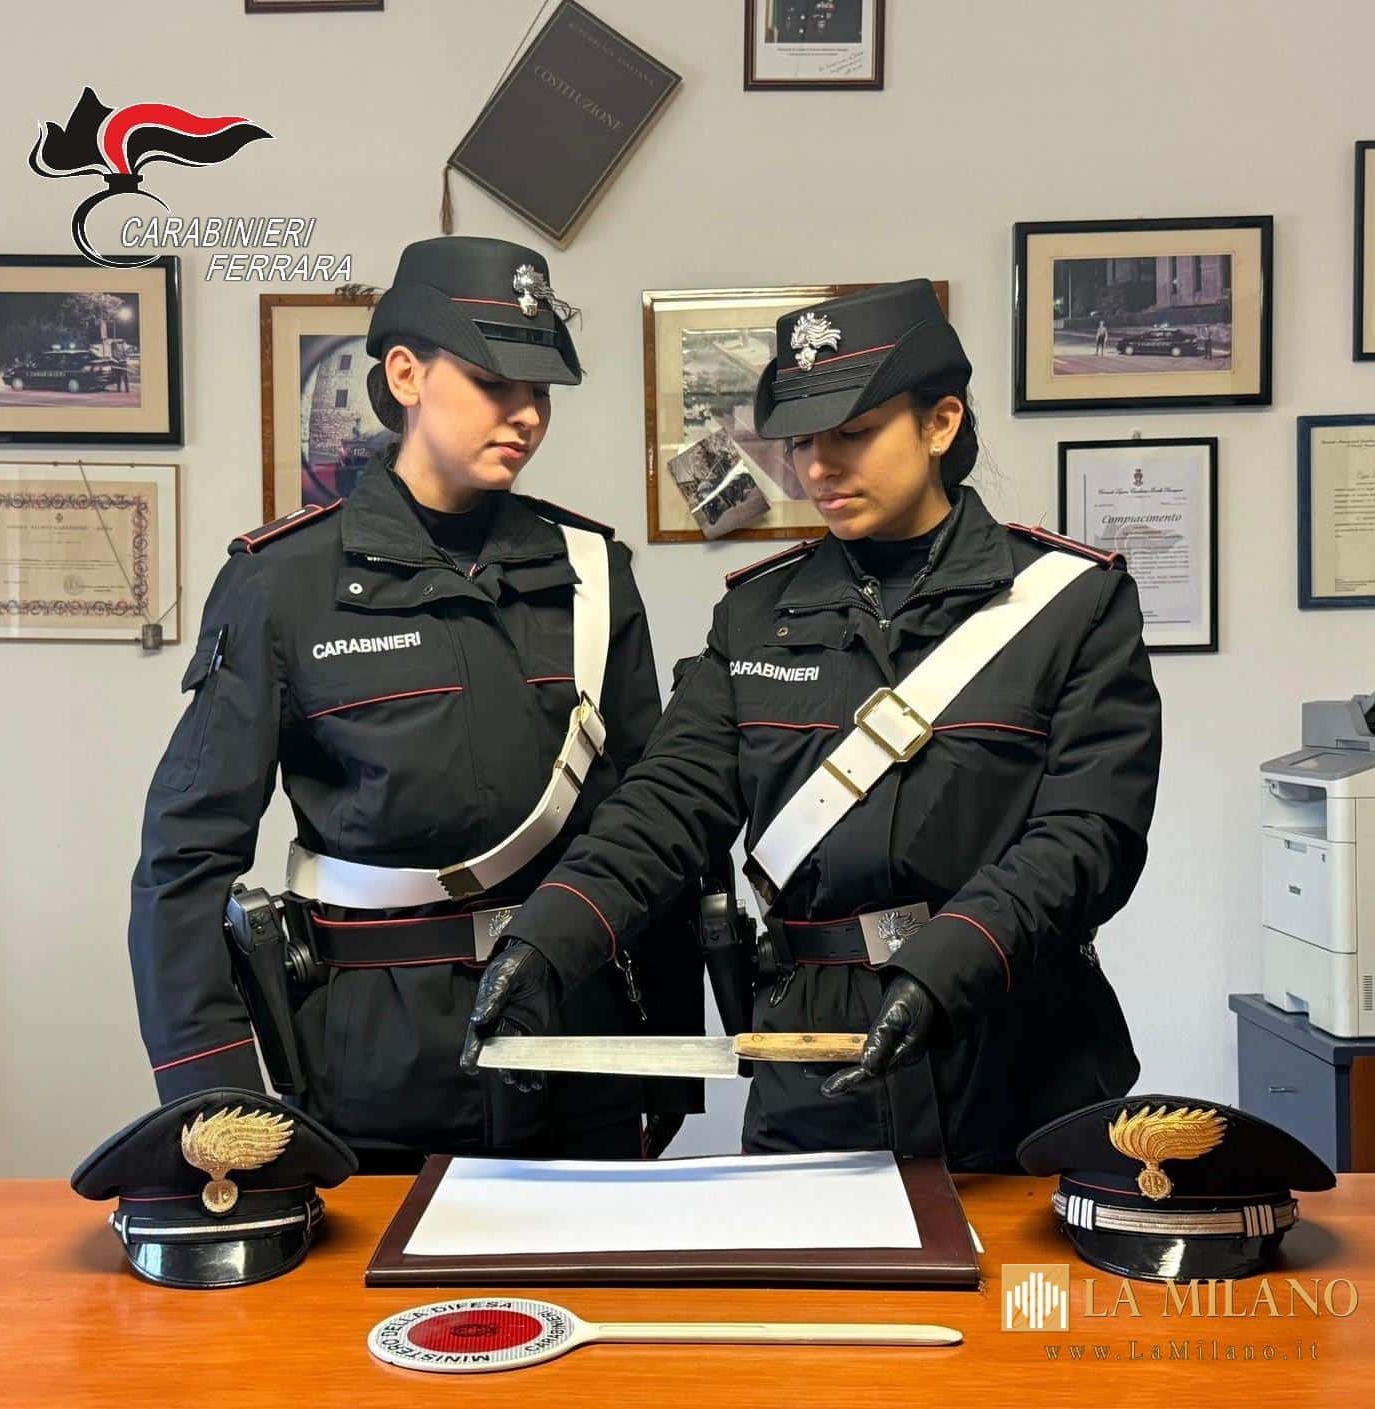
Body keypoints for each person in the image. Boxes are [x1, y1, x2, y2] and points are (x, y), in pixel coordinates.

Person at [462, 279, 1163, 1171]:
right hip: (818, 1066)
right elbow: (665, 807)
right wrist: (544, 938)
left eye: (852, 433)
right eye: (800, 441)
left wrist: (945, 966)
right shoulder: (755, 617)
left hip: (1016, 1039)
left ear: (941, 423)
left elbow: (1089, 835)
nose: (817, 468)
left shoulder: (1069, 603)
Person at [128, 236, 703, 1171]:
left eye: (541, 390)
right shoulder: (284, 584)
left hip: (576, 1036)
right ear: (405, 374)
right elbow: (186, 856)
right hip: (375, 1056)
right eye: (493, 383)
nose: (526, 413)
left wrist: (668, 1057)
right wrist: (215, 1095)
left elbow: (656, 823)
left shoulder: (593, 573)